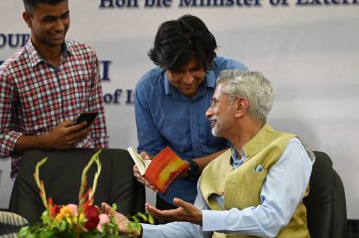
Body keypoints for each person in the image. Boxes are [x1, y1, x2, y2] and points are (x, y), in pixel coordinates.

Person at [104, 70, 315, 237]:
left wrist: (204, 217)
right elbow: (194, 232)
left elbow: (271, 220)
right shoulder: (214, 167)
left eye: (214, 102)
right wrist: (137, 229)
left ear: (240, 106)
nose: (208, 112)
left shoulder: (287, 149)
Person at [0, 0, 108, 179]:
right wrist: (46, 141)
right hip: (37, 180)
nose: (60, 26)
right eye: (49, 19)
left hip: (87, 175)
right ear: (28, 19)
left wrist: (104, 172)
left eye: (65, 16)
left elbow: (98, 122)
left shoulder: (87, 56)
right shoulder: (8, 74)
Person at [133, 14, 247, 210]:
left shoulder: (236, 78)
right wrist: (148, 165)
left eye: (195, 69)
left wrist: (191, 166)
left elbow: (244, 148)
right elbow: (152, 149)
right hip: (176, 200)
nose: (187, 80)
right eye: (177, 71)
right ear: (163, 65)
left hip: (230, 195)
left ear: (208, 60)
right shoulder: (147, 89)